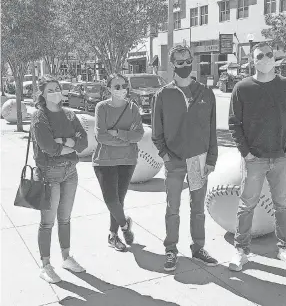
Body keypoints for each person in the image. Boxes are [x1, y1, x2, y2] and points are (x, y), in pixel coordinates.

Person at [228, 42, 286, 272]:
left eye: (270, 54)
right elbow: (234, 123)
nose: (266, 58)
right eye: (260, 55)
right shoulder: (242, 88)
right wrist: (246, 153)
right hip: (254, 159)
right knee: (246, 205)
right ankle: (241, 250)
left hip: (281, 157)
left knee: (282, 205)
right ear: (253, 60)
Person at [152, 45, 218, 271]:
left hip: (198, 161)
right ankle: (171, 249)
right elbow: (156, 133)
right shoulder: (163, 95)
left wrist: (211, 159)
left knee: (198, 208)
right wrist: (166, 157)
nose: (184, 65)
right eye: (179, 62)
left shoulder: (206, 93)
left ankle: (198, 248)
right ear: (172, 65)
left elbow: (211, 129)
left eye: (187, 60)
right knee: (173, 209)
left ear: (193, 61)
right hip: (174, 162)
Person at [30, 77, 88, 283]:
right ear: (43, 94)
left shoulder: (70, 115)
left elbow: (83, 142)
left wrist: (63, 141)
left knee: (65, 218)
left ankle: (66, 257)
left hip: (70, 172)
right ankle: (45, 265)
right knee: (47, 223)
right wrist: (70, 143)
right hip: (49, 174)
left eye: (58, 89)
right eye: (51, 89)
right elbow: (48, 148)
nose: (56, 92)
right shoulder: (39, 117)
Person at [92, 74, 144, 252]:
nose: (121, 89)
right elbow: (100, 136)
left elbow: (138, 135)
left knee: (119, 200)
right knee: (111, 200)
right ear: (109, 89)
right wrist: (126, 138)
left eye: (123, 85)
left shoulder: (133, 108)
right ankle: (124, 226)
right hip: (104, 161)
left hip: (128, 160)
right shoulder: (102, 107)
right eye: (116, 86)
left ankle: (112, 236)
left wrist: (117, 133)